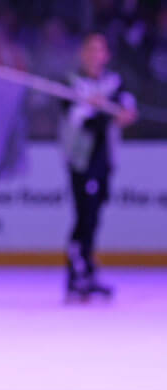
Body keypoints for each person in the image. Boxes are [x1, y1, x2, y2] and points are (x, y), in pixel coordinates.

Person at [60, 33, 137, 300]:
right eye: (90, 49)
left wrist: (124, 110)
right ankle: (78, 272)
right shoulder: (71, 82)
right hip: (81, 160)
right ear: (83, 53)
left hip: (105, 159)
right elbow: (74, 115)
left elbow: (126, 103)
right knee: (84, 214)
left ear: (106, 55)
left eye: (100, 50)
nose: (95, 55)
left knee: (94, 214)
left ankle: (87, 269)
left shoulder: (113, 82)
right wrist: (90, 105)